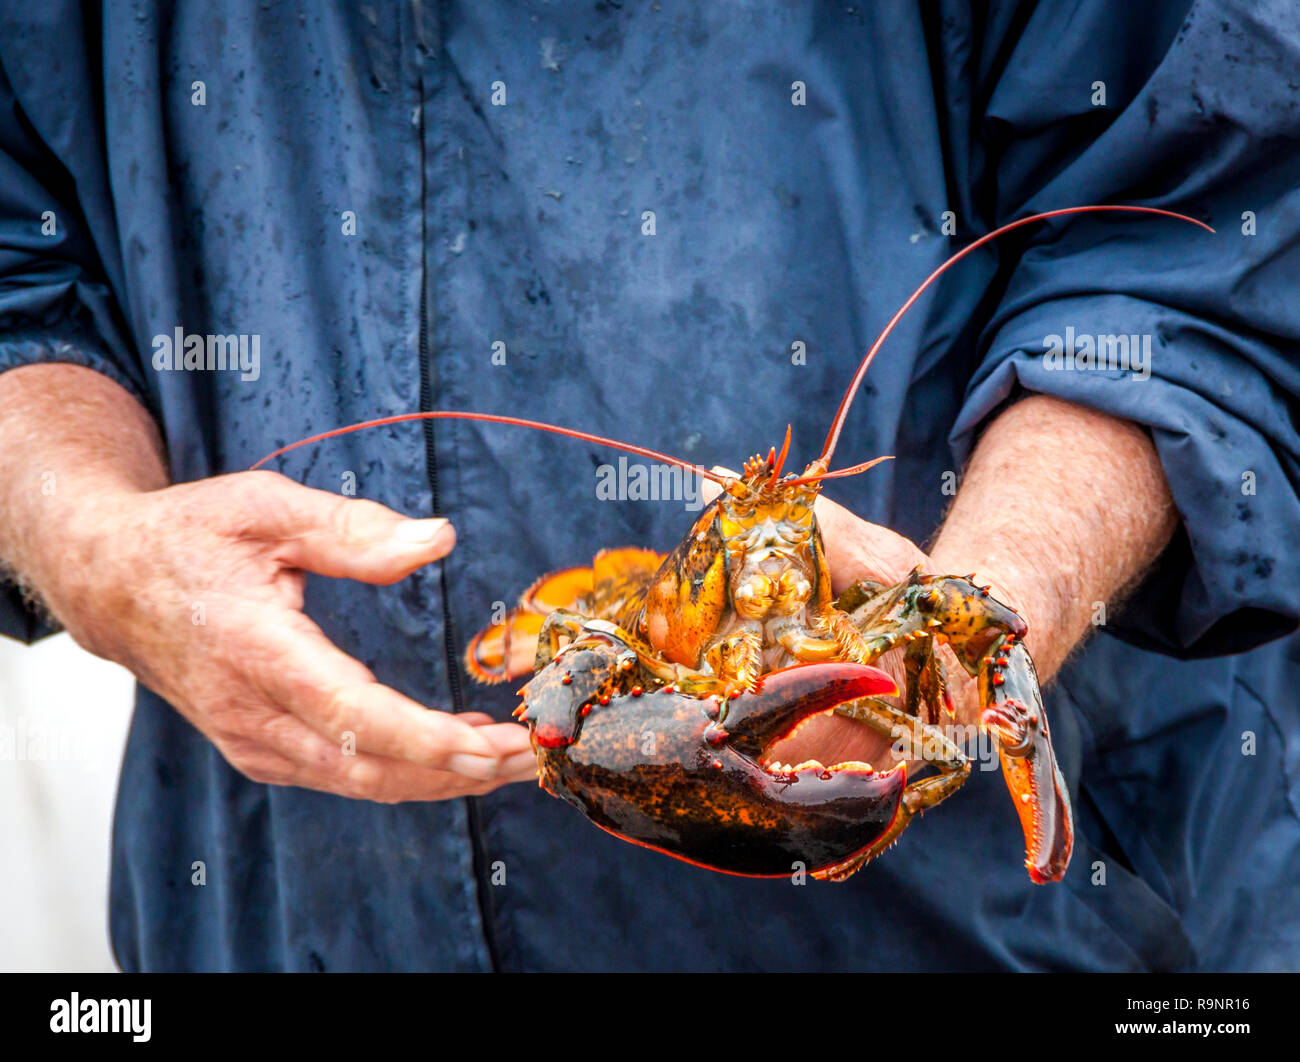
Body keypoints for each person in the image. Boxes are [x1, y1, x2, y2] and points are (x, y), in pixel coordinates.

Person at [1, 2, 1296, 971]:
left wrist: (1002, 590)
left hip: (1021, 942)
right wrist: (88, 531)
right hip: (277, 921)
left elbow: (1199, 236)